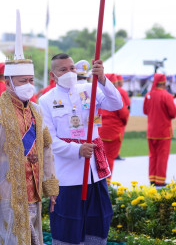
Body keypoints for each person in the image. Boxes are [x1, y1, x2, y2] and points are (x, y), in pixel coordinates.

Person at [0, 11, 59, 245]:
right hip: (5, 192)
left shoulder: (37, 111)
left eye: (31, 80)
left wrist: (51, 184)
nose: (29, 85)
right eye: (22, 81)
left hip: (34, 191)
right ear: (8, 82)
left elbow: (47, 149)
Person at [39, 53, 123, 245]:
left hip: (94, 172)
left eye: (72, 68)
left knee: (99, 220)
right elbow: (49, 139)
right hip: (68, 177)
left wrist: (102, 79)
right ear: (53, 75)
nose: (69, 72)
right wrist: (76, 150)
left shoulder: (90, 89)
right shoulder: (45, 100)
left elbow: (116, 103)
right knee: (68, 224)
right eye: (63, 69)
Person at [143, 73, 176, 186]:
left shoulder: (148, 95)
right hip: (163, 132)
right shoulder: (167, 96)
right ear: (164, 82)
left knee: (152, 155)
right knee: (162, 156)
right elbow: (173, 113)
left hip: (151, 131)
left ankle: (152, 178)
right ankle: (160, 180)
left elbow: (145, 111)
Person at [98, 74, 129, 181]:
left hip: (100, 131)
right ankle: (107, 183)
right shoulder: (117, 94)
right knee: (109, 158)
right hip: (113, 131)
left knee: (99, 158)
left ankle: (100, 182)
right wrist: (123, 123)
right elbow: (124, 113)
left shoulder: (97, 93)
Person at [115, 74, 130, 161]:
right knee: (119, 136)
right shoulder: (122, 91)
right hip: (119, 118)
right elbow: (128, 104)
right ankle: (117, 153)